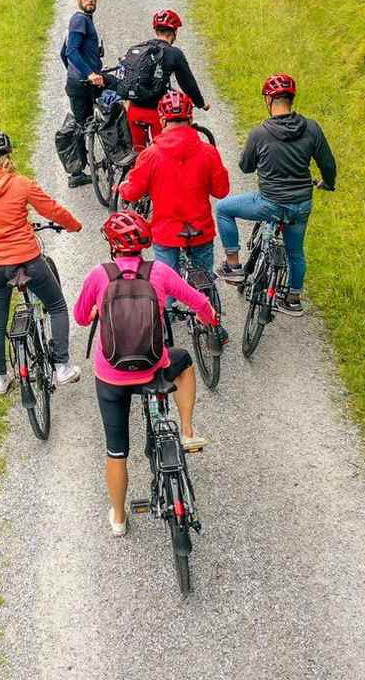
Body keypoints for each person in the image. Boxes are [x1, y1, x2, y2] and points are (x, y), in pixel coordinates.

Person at [73, 210, 217, 537]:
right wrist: (210, 320)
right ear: (145, 244)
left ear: (112, 245)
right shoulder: (160, 271)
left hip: (111, 376)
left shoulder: (99, 275)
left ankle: (119, 517)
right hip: (154, 368)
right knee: (184, 362)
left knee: (116, 451)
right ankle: (187, 431)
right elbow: (198, 301)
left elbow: (81, 317)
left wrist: (95, 310)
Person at [0, 131, 83, 394]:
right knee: (57, 305)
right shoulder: (21, 184)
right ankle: (62, 367)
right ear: (8, 156)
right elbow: (52, 210)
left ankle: (0, 377)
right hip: (27, 260)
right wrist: (74, 225)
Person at [215, 74, 336, 318]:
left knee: (223, 209)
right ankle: (293, 299)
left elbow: (246, 167)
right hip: (301, 204)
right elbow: (328, 164)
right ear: (291, 99)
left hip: (269, 203)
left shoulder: (260, 133)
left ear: (269, 100)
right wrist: (328, 183)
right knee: (295, 252)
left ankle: (233, 265)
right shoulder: (312, 128)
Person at [116, 91, 228, 282]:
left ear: (162, 120)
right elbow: (221, 191)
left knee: (166, 286)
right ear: (190, 118)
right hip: (200, 230)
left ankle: (170, 300)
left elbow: (132, 193)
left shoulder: (150, 155)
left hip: (166, 232)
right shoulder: (208, 152)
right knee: (204, 283)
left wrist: (122, 188)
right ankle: (207, 297)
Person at [117, 9, 209, 152]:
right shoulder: (174, 53)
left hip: (134, 111)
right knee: (163, 153)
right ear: (174, 32)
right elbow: (187, 83)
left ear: (156, 30)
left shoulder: (139, 49)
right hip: (157, 114)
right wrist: (201, 103)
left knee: (138, 153)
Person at [60, 0, 105, 187]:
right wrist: (87, 74)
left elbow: (63, 52)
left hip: (80, 82)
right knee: (82, 126)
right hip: (84, 83)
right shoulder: (79, 20)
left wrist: (74, 73)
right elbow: (71, 52)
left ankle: (81, 169)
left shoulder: (85, 19)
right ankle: (77, 174)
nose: (90, 0)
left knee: (84, 123)